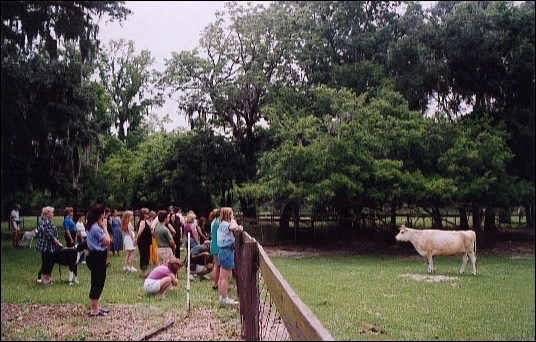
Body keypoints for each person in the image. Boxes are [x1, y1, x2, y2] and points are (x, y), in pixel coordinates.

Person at [85, 205, 111, 317]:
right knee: (97, 281)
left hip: (95, 256)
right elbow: (108, 241)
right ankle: (94, 309)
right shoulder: (96, 228)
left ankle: (96, 306)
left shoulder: (91, 226)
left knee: (98, 280)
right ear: (100, 215)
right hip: (97, 257)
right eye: (103, 214)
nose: (104, 216)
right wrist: (104, 227)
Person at [217, 207, 243, 305]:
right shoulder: (225, 224)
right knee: (225, 277)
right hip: (227, 251)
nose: (233, 215)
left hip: (223, 251)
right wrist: (234, 222)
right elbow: (233, 227)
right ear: (227, 214)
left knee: (221, 277)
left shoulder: (222, 224)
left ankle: (221, 296)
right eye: (231, 213)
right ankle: (224, 298)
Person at [35, 206, 63, 285]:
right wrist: (58, 243)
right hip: (46, 247)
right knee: (47, 262)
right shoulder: (43, 222)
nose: (53, 214)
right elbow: (49, 235)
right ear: (47, 213)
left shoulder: (49, 222)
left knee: (51, 261)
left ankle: (47, 277)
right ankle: (44, 278)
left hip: (51, 247)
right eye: (51, 212)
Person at [136, 208, 153, 278]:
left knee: (146, 256)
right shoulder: (142, 222)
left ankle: (145, 271)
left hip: (146, 242)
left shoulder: (146, 221)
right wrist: (136, 240)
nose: (148, 215)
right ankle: (143, 272)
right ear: (143, 214)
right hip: (143, 242)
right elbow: (139, 232)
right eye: (146, 213)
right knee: (144, 256)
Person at [209, 208, 221, 290]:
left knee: (216, 265)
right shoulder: (219, 222)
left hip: (213, 245)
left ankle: (215, 282)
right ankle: (218, 283)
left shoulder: (214, 222)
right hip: (217, 246)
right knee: (218, 265)